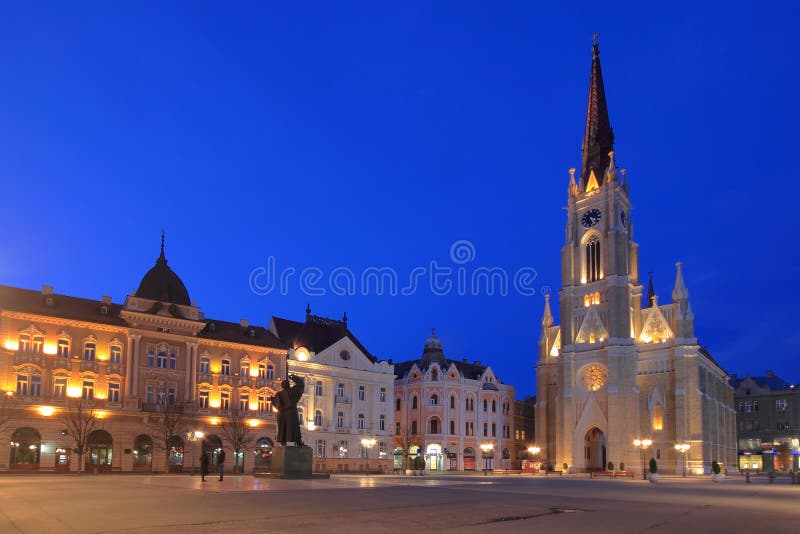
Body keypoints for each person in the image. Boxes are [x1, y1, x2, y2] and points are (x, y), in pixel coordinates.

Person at [272, 374, 305, 446]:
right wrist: (294, 378)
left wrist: (272, 399)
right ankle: (298, 442)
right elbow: (301, 385)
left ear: (282, 386)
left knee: (283, 428)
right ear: (289, 385)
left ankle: (283, 442)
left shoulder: (279, 394)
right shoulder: (293, 391)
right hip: (291, 413)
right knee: (294, 428)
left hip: (282, 414)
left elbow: (275, 404)